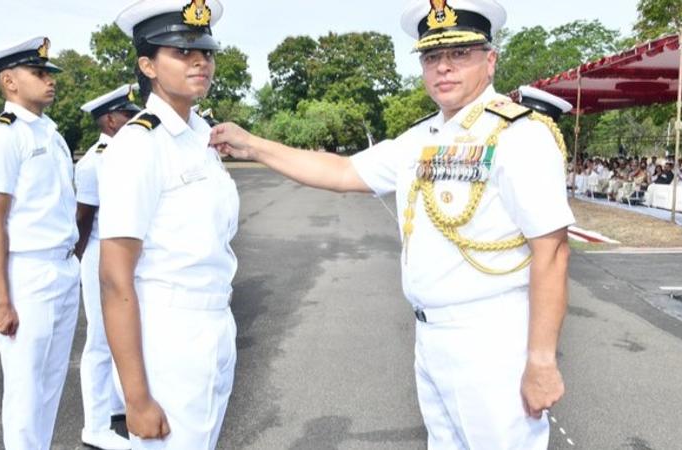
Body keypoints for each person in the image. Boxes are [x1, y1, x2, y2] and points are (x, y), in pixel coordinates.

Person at [211, 0, 573, 448]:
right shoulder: (420, 138)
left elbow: (552, 249)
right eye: (432, 57)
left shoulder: (520, 135)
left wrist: (541, 360)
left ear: (490, 59)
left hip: (492, 339)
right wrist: (255, 146)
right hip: (431, 335)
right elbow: (343, 172)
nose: (444, 68)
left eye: (460, 54)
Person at [99, 1, 238, 448]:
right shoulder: (138, 146)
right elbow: (114, 276)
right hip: (169, 333)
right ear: (147, 65)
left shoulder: (203, 136)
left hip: (216, 320)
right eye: (182, 52)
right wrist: (136, 398)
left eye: (206, 52)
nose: (200, 61)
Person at [0, 36, 80, 450]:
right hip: (28, 273)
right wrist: (1, 300)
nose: (50, 81)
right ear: (10, 81)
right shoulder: (0, 138)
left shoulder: (50, 132)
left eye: (49, 73)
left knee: (50, 384)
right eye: (39, 73)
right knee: (25, 388)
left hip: (62, 268)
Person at [75, 84, 141, 450]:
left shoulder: (130, 153)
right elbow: (83, 219)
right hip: (100, 254)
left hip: (127, 252)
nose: (134, 119)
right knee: (100, 341)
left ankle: (117, 406)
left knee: (126, 334)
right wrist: (79, 264)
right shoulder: (94, 161)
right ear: (111, 120)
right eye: (128, 115)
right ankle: (94, 426)